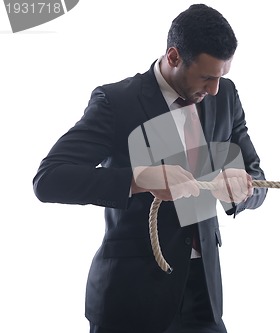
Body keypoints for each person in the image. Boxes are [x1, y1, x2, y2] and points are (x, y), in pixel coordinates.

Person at [33, 4, 267, 333]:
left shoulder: (225, 95)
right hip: (130, 299)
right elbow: (49, 179)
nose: (214, 88)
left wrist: (243, 190)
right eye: (207, 77)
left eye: (221, 76)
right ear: (173, 57)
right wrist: (138, 179)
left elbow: (259, 180)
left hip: (204, 298)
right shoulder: (116, 102)